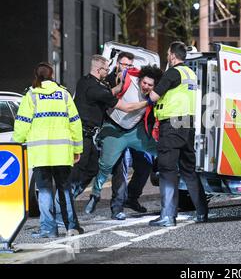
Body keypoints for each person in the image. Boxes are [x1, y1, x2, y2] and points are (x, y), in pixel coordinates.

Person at [13, 62, 83, 238]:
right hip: (62, 153)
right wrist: (77, 148)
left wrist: (15, 143)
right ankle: (71, 227)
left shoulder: (31, 95)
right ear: (52, 75)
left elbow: (22, 123)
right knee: (64, 190)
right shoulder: (64, 95)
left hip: (41, 153)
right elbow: (75, 123)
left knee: (44, 192)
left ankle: (48, 229)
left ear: (36, 75)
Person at [84, 65, 161, 219]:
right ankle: (95, 195)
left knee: (161, 150)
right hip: (114, 130)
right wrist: (121, 74)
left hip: (134, 131)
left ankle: (176, 173)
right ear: (140, 80)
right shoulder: (131, 81)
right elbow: (124, 77)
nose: (146, 86)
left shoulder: (155, 94)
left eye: (150, 85)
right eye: (144, 83)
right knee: (106, 166)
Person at [69, 55, 149, 199]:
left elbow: (107, 94)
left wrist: (122, 85)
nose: (108, 71)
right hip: (82, 136)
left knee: (93, 168)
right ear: (99, 70)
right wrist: (148, 101)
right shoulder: (96, 88)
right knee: (77, 172)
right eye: (106, 69)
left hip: (88, 135)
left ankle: (71, 195)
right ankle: (64, 201)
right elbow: (127, 108)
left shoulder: (84, 81)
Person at [148, 41, 208, 227]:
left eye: (168, 53)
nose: (167, 56)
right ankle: (202, 213)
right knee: (189, 171)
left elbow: (153, 97)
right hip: (187, 125)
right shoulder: (190, 74)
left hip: (172, 125)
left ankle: (168, 216)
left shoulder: (173, 73)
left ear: (173, 55)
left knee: (167, 171)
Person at [105, 52, 154, 215]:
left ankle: (132, 198)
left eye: (129, 65)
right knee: (121, 168)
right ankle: (117, 207)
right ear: (117, 63)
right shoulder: (111, 79)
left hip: (135, 131)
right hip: (116, 130)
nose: (126, 68)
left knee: (145, 165)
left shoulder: (136, 79)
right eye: (124, 64)